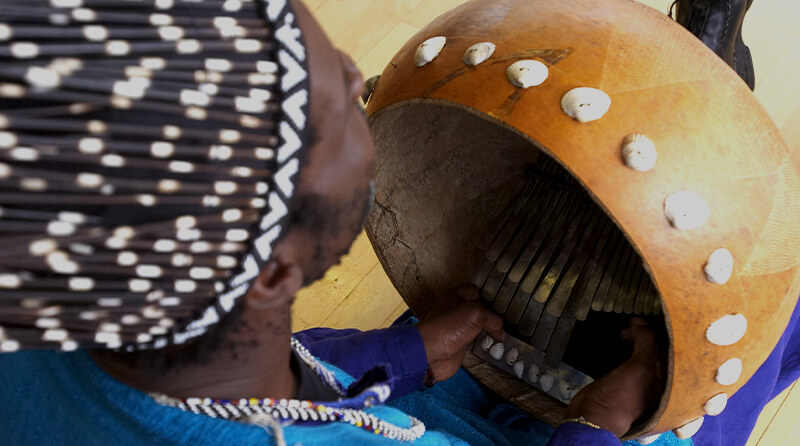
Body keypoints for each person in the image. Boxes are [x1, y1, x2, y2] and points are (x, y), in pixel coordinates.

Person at [0, 1, 796, 445]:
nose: (358, 75)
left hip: (352, 388)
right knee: (747, 333)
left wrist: (398, 351)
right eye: (339, 108)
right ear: (276, 269)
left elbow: (220, 377)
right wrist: (597, 422)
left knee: (475, 297)